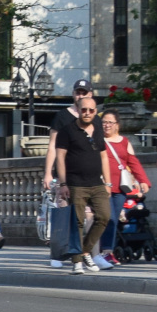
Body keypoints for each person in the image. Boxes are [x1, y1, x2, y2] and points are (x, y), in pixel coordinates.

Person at [44, 79, 99, 267]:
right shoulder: (62, 116)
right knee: (64, 214)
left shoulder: (94, 118)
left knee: (91, 216)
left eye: (84, 92)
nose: (81, 96)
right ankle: (58, 254)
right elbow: (52, 146)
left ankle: (87, 253)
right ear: (73, 94)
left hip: (89, 177)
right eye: (78, 92)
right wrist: (48, 174)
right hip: (66, 174)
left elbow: (101, 149)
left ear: (91, 94)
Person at [55, 96, 112, 274]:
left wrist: (108, 182)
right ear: (78, 110)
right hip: (75, 184)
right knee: (77, 222)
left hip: (97, 183)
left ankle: (85, 251)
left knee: (104, 217)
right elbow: (60, 157)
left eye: (91, 110)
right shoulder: (67, 131)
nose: (87, 113)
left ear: (95, 112)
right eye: (84, 110)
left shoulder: (98, 130)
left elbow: (104, 157)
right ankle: (77, 262)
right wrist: (63, 183)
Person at [96, 110, 151, 267]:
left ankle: (106, 252)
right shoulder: (97, 140)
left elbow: (133, 162)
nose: (106, 125)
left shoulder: (124, 142)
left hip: (120, 187)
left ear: (117, 125)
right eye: (103, 122)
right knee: (109, 218)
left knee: (113, 221)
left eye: (109, 122)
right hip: (102, 186)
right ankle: (104, 252)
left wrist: (143, 180)